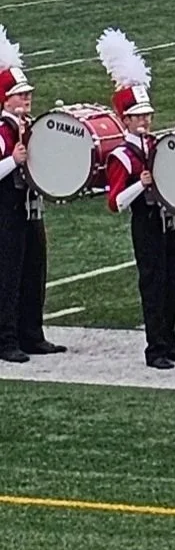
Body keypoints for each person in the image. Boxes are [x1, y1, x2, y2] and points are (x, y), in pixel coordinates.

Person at [99, 28, 175, 370]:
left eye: (147, 115)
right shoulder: (122, 156)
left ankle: (170, 341)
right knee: (153, 284)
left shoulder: (156, 145)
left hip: (169, 220)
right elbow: (115, 201)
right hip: (146, 222)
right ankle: (155, 349)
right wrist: (141, 183)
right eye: (138, 116)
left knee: (173, 281)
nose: (145, 120)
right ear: (125, 119)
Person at [0, 26, 65, 363]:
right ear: (4, 98)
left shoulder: (29, 126)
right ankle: (5, 339)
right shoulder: (1, 131)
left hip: (30, 209)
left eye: (27, 94)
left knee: (34, 272)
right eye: (19, 94)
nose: (26, 98)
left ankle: (32, 334)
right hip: (6, 213)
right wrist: (13, 159)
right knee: (7, 276)